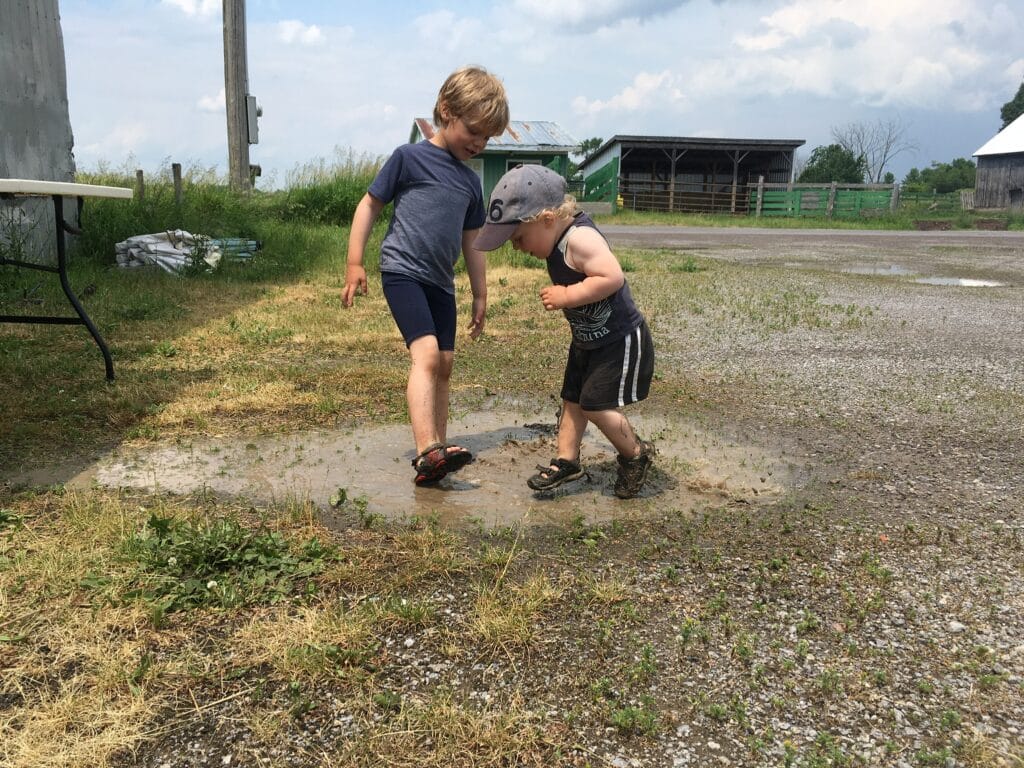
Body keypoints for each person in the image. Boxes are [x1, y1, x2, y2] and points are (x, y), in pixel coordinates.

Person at [342, 66, 509, 485]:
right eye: (474, 130)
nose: (478, 143)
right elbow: (369, 205)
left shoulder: (471, 183)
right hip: (402, 271)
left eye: (487, 137)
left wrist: (480, 293)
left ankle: (439, 447)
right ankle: (426, 450)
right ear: (447, 111)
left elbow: (473, 241)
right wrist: (354, 262)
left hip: (439, 281)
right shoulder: (408, 157)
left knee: (446, 364)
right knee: (428, 356)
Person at [474, 165, 655, 499]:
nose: (516, 248)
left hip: (618, 340)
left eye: (518, 238)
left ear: (546, 219)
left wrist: (568, 296)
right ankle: (567, 459)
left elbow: (612, 277)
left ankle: (635, 455)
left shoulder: (580, 239)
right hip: (586, 341)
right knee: (572, 400)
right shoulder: (553, 239)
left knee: (594, 405)